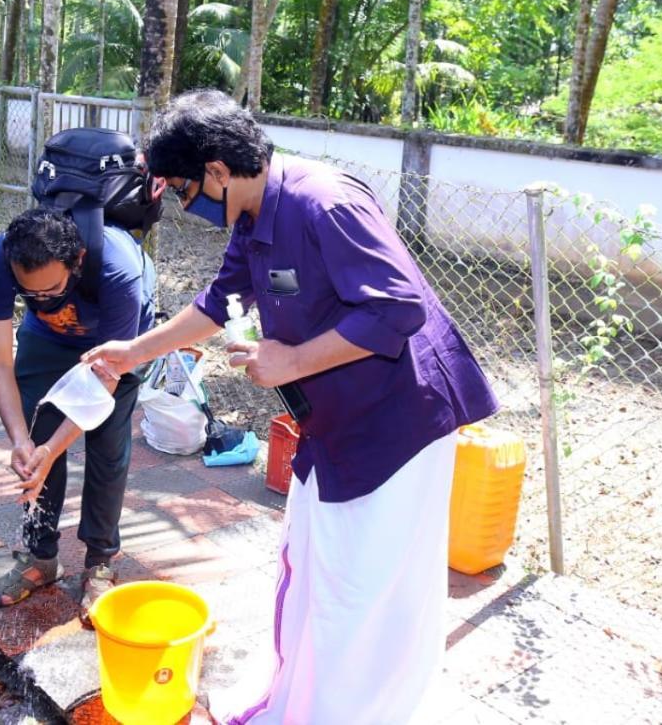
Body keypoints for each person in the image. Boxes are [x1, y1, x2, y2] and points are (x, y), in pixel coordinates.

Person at [84, 90, 498, 723]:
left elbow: (398, 307)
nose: (188, 207)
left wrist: (292, 362)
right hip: (336, 422)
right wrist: (132, 352)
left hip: (399, 423)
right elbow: (219, 300)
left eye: (186, 192)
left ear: (218, 172)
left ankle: (357, 710)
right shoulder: (254, 217)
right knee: (317, 566)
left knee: (364, 588)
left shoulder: (321, 202)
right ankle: (304, 696)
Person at [0, 206, 155, 618]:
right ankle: (40, 558)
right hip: (48, 338)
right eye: (29, 294)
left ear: (77, 263)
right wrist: (24, 441)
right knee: (36, 435)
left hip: (115, 342)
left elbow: (103, 383)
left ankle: (100, 563)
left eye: (51, 290)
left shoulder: (118, 271)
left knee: (107, 447)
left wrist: (55, 448)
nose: (41, 299)